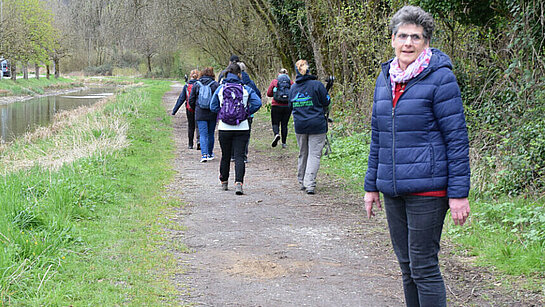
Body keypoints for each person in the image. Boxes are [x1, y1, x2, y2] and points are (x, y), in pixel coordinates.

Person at [363, 6, 471, 307]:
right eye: (402, 36)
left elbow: (457, 139)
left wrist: (459, 194)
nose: (408, 42)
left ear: (426, 42)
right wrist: (371, 186)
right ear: (393, 40)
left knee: (423, 266)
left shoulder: (440, 79)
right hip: (393, 188)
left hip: (429, 188)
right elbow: (378, 136)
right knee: (407, 267)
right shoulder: (385, 79)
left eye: (416, 37)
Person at [210, 63, 262, 195]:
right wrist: (246, 113)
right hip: (242, 126)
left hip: (224, 127)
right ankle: (239, 183)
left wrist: (222, 113)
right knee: (239, 156)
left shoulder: (221, 89)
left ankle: (224, 182)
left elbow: (212, 106)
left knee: (225, 155)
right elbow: (258, 102)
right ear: (239, 74)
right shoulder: (246, 89)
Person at [288, 59, 330, 195]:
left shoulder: (293, 88)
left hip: (300, 125)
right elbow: (326, 101)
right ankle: (310, 183)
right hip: (317, 124)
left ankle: (302, 181)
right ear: (309, 70)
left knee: (303, 153)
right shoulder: (317, 85)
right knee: (314, 154)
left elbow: (290, 105)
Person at [188, 67, 220, 162]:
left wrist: (196, 109)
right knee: (210, 134)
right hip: (212, 113)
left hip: (200, 113)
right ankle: (210, 153)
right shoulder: (215, 85)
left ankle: (204, 155)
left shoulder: (196, 85)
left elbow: (191, 100)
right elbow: (219, 99)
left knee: (202, 135)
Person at [172, 69, 200, 149]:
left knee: (191, 126)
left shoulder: (187, 86)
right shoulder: (200, 85)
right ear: (198, 76)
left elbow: (181, 99)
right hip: (199, 109)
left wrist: (174, 110)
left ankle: (190, 144)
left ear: (191, 76)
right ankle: (199, 141)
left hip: (189, 109)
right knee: (198, 126)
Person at [267, 68, 293, 148]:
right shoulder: (290, 82)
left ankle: (276, 134)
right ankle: (284, 143)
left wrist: (275, 94)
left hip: (276, 105)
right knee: (284, 124)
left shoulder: (275, 81)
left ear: (279, 73)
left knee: (275, 122)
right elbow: (294, 92)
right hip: (287, 106)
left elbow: (269, 93)